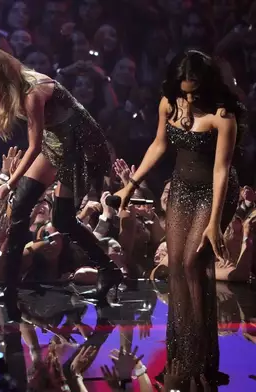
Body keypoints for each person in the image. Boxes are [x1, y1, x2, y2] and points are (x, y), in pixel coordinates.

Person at [0, 47, 121, 321]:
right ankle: (12, 292)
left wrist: (9, 183)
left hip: (80, 145)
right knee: (22, 209)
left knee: (61, 218)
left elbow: (34, 145)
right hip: (56, 142)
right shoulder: (0, 91)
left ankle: (108, 270)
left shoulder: (33, 91)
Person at [115, 50, 242, 390]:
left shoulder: (222, 116)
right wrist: (131, 183)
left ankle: (199, 362)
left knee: (191, 263)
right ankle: (181, 356)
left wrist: (215, 223)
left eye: (195, 91)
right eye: (184, 89)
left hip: (215, 191)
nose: (189, 97)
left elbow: (221, 170)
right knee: (175, 266)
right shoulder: (169, 104)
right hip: (182, 187)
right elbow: (158, 145)